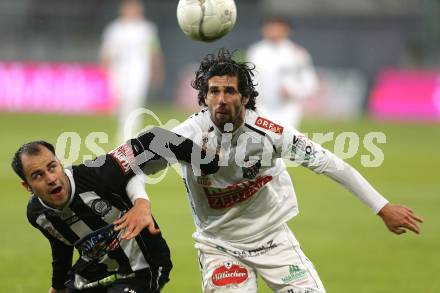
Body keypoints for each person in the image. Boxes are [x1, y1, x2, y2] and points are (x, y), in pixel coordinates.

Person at [166, 49, 423, 292]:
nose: (221, 100)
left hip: (272, 239)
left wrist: (382, 207)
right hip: (219, 246)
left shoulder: (272, 133)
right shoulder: (186, 136)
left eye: (230, 91)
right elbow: (136, 162)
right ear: (204, 96)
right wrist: (141, 201)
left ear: (245, 97)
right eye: (214, 91)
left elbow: (331, 164)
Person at [11, 128, 219, 293]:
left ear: (60, 163)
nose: (51, 178)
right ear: (27, 186)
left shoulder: (96, 173)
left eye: (52, 167)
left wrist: (209, 162)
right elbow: (62, 246)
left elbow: (154, 139)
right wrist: (58, 286)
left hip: (143, 268)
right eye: (38, 175)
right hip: (95, 270)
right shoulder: (38, 215)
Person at [100, 0, 164, 142]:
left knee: (134, 100)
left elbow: (154, 51)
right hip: (118, 69)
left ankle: (130, 133)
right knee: (120, 100)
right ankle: (123, 127)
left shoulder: (147, 29)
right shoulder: (114, 29)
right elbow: (106, 52)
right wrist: (105, 67)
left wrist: (156, 70)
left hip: (139, 69)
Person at [247, 17, 318, 129]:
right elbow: (249, 80)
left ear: (287, 30)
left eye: (278, 27)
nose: (273, 30)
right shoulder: (255, 52)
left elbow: (310, 84)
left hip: (287, 111)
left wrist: (293, 91)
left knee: (282, 142)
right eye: (270, 26)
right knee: (262, 142)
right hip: (261, 109)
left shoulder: (297, 53)